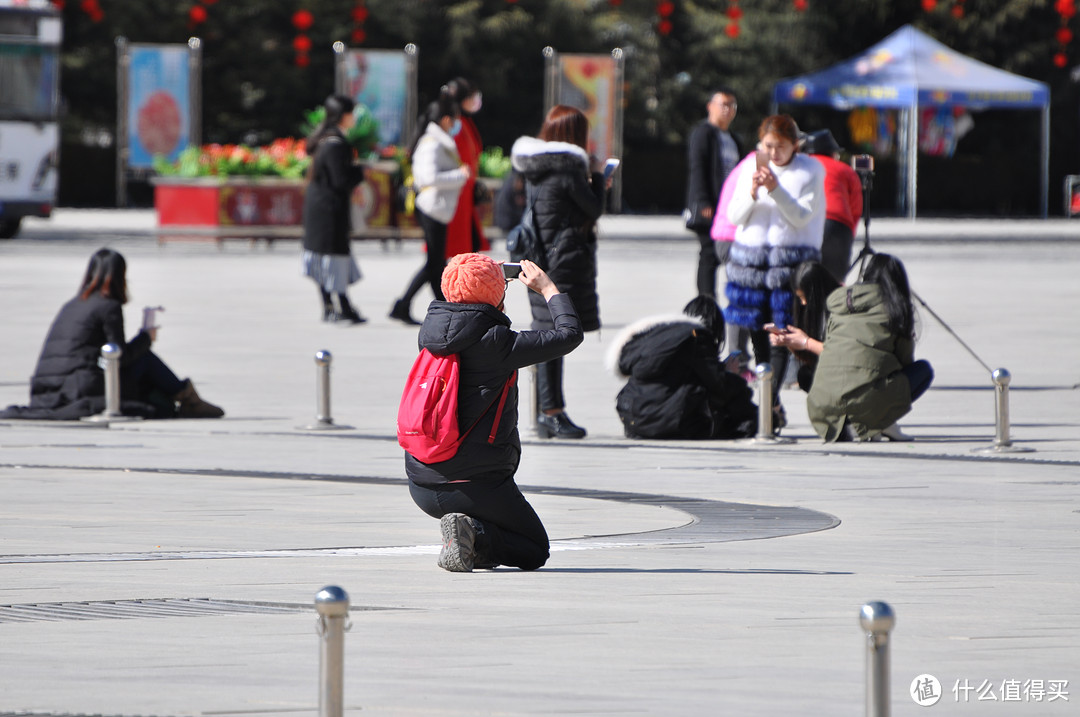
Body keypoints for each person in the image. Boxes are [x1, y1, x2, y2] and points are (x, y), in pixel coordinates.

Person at [406, 253, 584, 572]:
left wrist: (482, 279)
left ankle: (468, 542)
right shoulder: (497, 342)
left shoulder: (430, 335)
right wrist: (548, 290)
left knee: (507, 530)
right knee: (533, 549)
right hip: (474, 485)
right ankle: (472, 532)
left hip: (421, 482)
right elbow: (569, 335)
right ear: (495, 295)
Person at [1, 249, 224, 420]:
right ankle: (188, 399)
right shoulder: (108, 306)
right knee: (145, 360)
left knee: (141, 369)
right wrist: (146, 338)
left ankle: (184, 398)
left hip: (47, 388)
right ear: (120, 277)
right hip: (80, 386)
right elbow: (121, 356)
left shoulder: (72, 304)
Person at [510, 105, 606, 439]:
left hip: (538, 258)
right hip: (561, 263)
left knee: (547, 333)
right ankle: (551, 412)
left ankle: (545, 410)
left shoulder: (534, 168)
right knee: (555, 335)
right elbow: (594, 209)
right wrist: (601, 178)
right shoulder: (567, 171)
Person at [725, 114, 825, 433]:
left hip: (789, 266)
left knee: (780, 335)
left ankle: (768, 405)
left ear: (795, 145)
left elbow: (800, 217)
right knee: (758, 334)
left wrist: (776, 189)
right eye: (768, 146)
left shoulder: (809, 170)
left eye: (780, 146)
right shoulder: (748, 167)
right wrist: (753, 192)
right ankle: (772, 405)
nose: (773, 153)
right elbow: (734, 216)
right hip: (752, 266)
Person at [802, 253, 933, 442]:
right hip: (867, 402)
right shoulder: (894, 306)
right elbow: (905, 362)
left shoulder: (840, 303)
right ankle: (882, 421)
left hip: (821, 408)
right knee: (923, 371)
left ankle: (857, 421)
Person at [606, 296, 757, 439]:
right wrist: (729, 374)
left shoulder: (661, 334)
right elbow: (719, 383)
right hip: (667, 422)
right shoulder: (696, 337)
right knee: (734, 393)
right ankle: (765, 421)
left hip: (634, 421)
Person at [389, 91, 470, 326]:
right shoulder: (432, 144)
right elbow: (426, 177)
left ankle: (438, 309)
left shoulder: (438, 142)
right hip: (432, 207)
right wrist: (459, 175)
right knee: (434, 264)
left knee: (436, 264)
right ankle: (413, 306)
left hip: (439, 208)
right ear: (446, 120)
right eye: (454, 119)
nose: (456, 124)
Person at [302, 93, 367, 324]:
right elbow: (341, 181)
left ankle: (337, 307)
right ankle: (334, 308)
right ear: (343, 116)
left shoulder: (325, 139)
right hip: (329, 210)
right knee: (333, 258)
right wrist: (359, 172)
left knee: (328, 259)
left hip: (321, 207)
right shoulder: (336, 144)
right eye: (352, 113)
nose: (355, 117)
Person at [685, 88, 743, 299]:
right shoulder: (703, 133)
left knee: (729, 253)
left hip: (730, 206)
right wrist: (702, 201)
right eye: (723, 104)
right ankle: (706, 300)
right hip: (710, 205)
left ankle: (732, 296)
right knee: (709, 253)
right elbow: (697, 167)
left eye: (732, 105)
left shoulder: (733, 138)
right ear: (710, 106)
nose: (728, 109)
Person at [768, 261, 841, 393]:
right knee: (805, 375)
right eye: (799, 297)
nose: (803, 302)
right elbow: (812, 358)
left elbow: (841, 353)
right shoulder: (814, 310)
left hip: (844, 371)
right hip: (830, 369)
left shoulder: (840, 308)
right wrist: (789, 342)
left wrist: (806, 342)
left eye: (805, 296)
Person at [802, 129, 863, 282]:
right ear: (833, 153)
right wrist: (849, 232)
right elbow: (856, 208)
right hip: (838, 223)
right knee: (835, 282)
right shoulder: (845, 170)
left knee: (806, 279)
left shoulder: (803, 167)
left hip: (808, 221)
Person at [444, 77, 490, 256]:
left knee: (468, 247)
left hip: (464, 192)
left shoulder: (463, 122)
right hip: (458, 192)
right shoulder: (457, 124)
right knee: (460, 249)